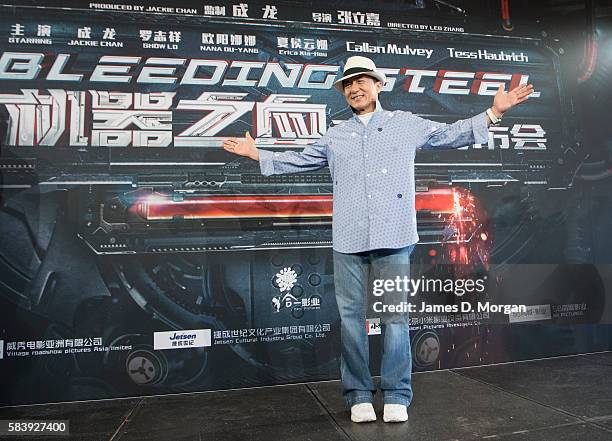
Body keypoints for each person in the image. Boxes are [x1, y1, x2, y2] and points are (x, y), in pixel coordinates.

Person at [223, 55, 533, 423]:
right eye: (348, 84)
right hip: (348, 239)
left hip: (395, 234)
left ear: (378, 85)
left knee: (395, 318)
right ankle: (358, 395)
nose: (354, 88)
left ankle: (398, 392)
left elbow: (449, 135)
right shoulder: (335, 134)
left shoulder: (405, 124)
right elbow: (301, 159)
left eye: (361, 81)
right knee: (351, 320)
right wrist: (258, 153)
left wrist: (492, 113)